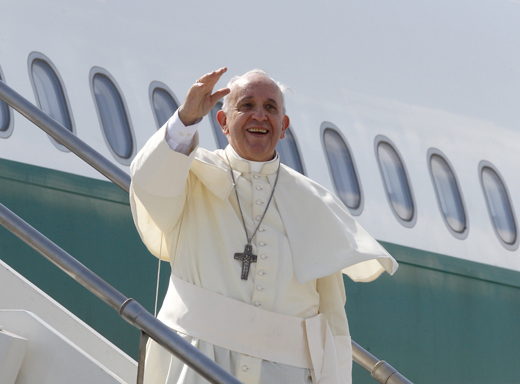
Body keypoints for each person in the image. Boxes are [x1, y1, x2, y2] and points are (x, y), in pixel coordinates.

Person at [129, 67, 398, 384]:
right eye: (246, 105)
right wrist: (185, 118)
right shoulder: (189, 174)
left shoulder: (314, 204)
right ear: (223, 121)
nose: (259, 116)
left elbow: (331, 320)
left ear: (283, 127)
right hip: (195, 361)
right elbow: (149, 184)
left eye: (270, 108)